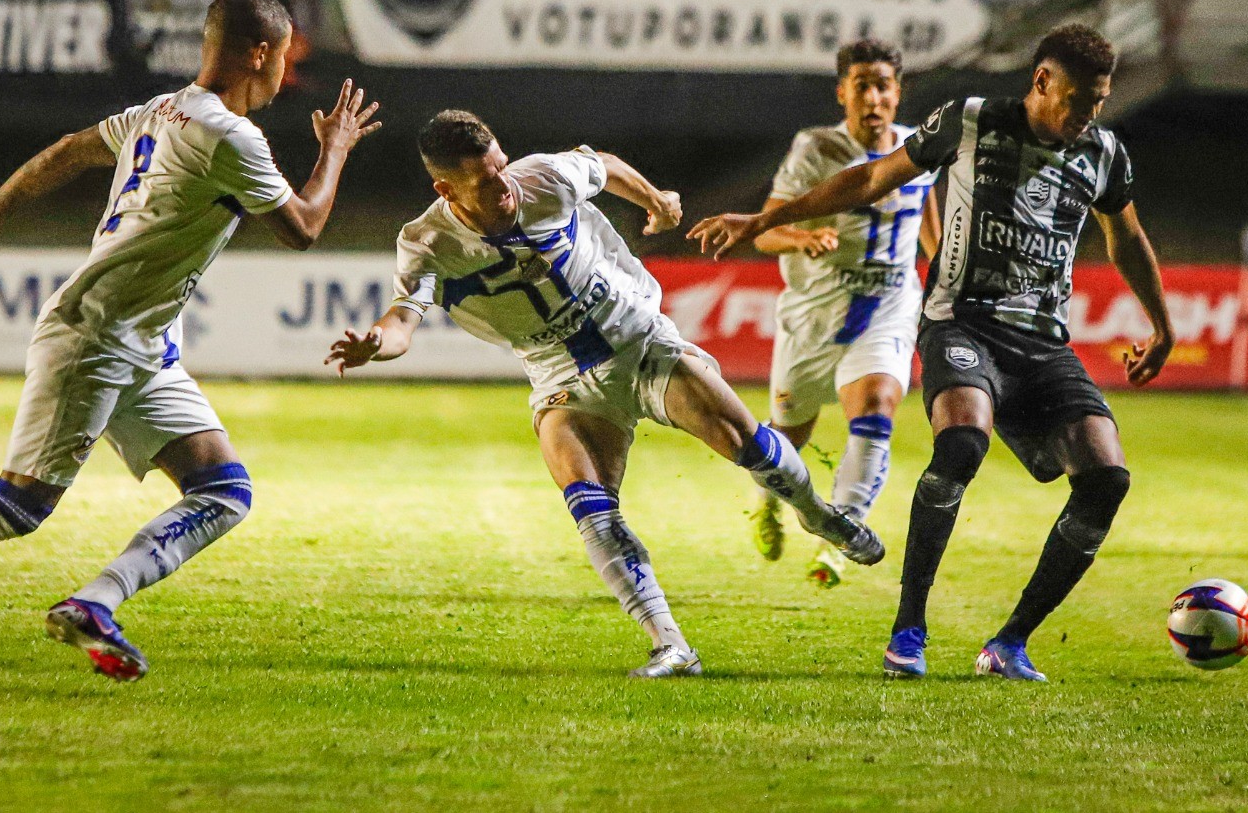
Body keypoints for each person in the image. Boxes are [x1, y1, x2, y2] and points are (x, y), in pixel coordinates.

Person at [0, 0, 383, 691]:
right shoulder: (231, 135)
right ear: (259, 53)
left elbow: (68, 151)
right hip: (94, 338)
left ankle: (95, 600)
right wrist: (335, 149)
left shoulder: (159, 110)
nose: (285, 72)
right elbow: (304, 226)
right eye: (284, 56)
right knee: (18, 507)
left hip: (143, 346)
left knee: (222, 490)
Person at [690, 23, 1173, 683]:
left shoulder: (1105, 152)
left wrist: (1163, 324)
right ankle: (908, 628)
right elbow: (873, 179)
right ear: (1040, 82)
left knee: (1107, 477)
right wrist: (766, 221)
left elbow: (1128, 236)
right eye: (1076, 100)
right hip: (961, 322)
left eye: (1098, 101)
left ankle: (1008, 642)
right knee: (960, 443)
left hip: (1041, 339)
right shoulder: (970, 121)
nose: (1086, 115)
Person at [324, 112, 885, 677]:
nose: (504, 186)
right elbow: (402, 321)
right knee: (591, 507)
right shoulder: (428, 243)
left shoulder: (543, 177)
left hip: (639, 339)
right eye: (485, 182)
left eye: (501, 167)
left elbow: (606, 165)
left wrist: (657, 202)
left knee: (747, 444)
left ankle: (818, 515)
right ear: (446, 190)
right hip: (561, 377)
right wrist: (377, 341)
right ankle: (672, 645)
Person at [749, 40, 940, 587]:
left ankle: (844, 529)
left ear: (898, 93)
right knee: (787, 435)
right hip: (815, 312)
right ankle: (766, 501)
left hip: (888, 305)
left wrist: (945, 269)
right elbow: (765, 230)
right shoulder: (815, 149)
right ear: (843, 93)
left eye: (884, 85)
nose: (874, 97)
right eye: (862, 85)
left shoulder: (917, 149)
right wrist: (802, 238)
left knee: (878, 404)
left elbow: (925, 212)